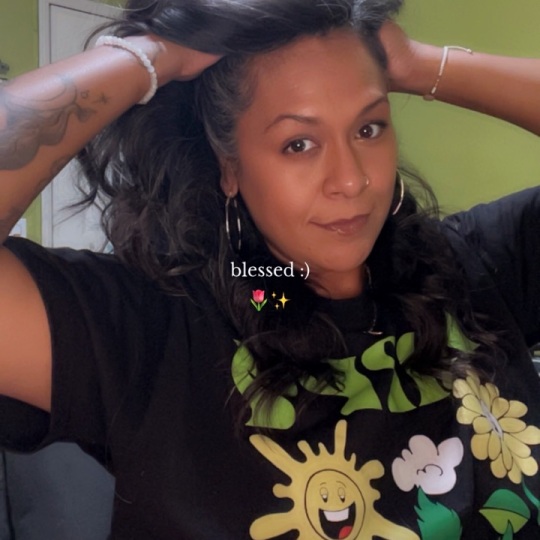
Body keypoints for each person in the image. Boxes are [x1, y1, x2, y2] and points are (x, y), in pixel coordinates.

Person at [1, 0, 540, 538]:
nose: (351, 180)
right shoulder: (148, 330)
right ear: (229, 167)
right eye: (298, 144)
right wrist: (151, 57)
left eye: (369, 128)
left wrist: (422, 66)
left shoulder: (477, 268)